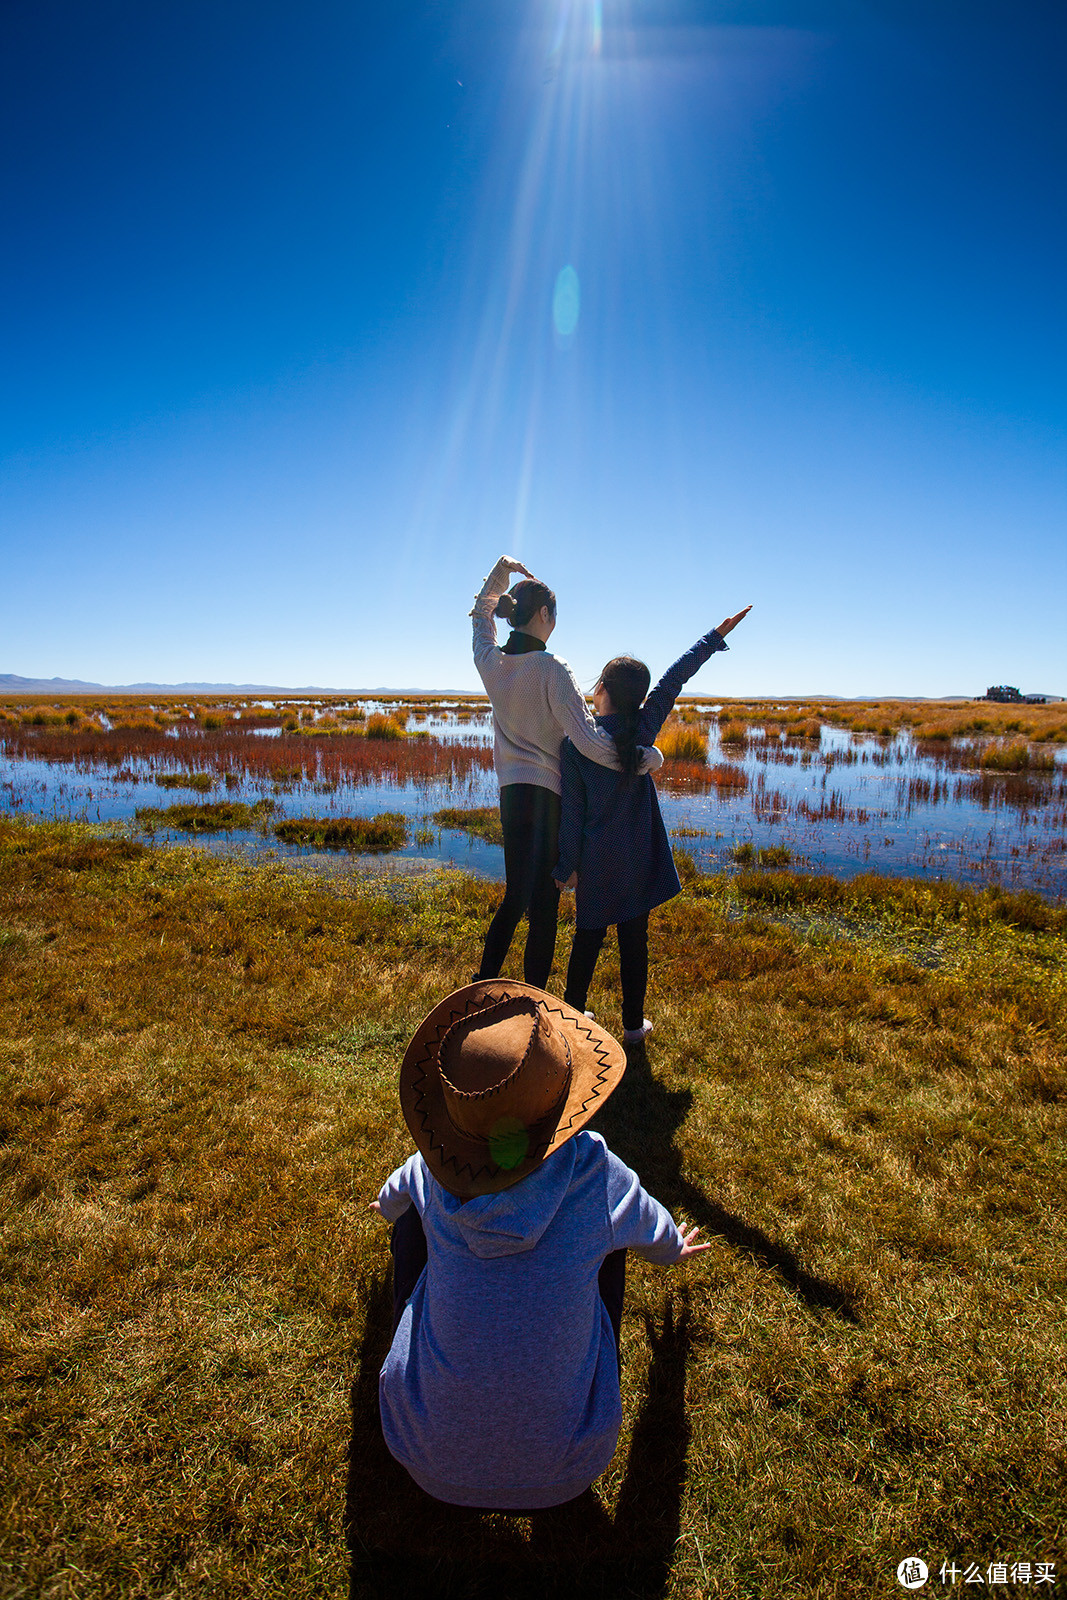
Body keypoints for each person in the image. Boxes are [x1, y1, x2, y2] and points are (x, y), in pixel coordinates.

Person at [370, 979, 709, 1509]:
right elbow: (654, 1228)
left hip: (425, 1454)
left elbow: (393, 1196)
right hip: (569, 1465)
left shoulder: (431, 1174)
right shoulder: (596, 1173)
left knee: (410, 1221)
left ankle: (401, 1335)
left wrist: (390, 1209)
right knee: (611, 1239)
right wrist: (672, 1248)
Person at [553, 607, 752, 1042]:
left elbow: (571, 814)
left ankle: (570, 1019)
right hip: (637, 855)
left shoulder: (576, 745)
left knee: (586, 940)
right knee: (634, 943)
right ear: (639, 699)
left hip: (596, 859)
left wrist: (565, 866)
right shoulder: (643, 727)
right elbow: (673, 679)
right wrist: (714, 636)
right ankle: (632, 1027)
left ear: (599, 688)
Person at [470, 555, 662, 990]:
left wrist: (501, 571)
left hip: (511, 796)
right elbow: (591, 743)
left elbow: (481, 618)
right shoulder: (553, 669)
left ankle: (484, 980)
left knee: (515, 894)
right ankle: (535, 997)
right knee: (543, 907)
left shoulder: (490, 662)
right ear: (544, 615)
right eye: (554, 615)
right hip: (548, 800)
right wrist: (644, 758)